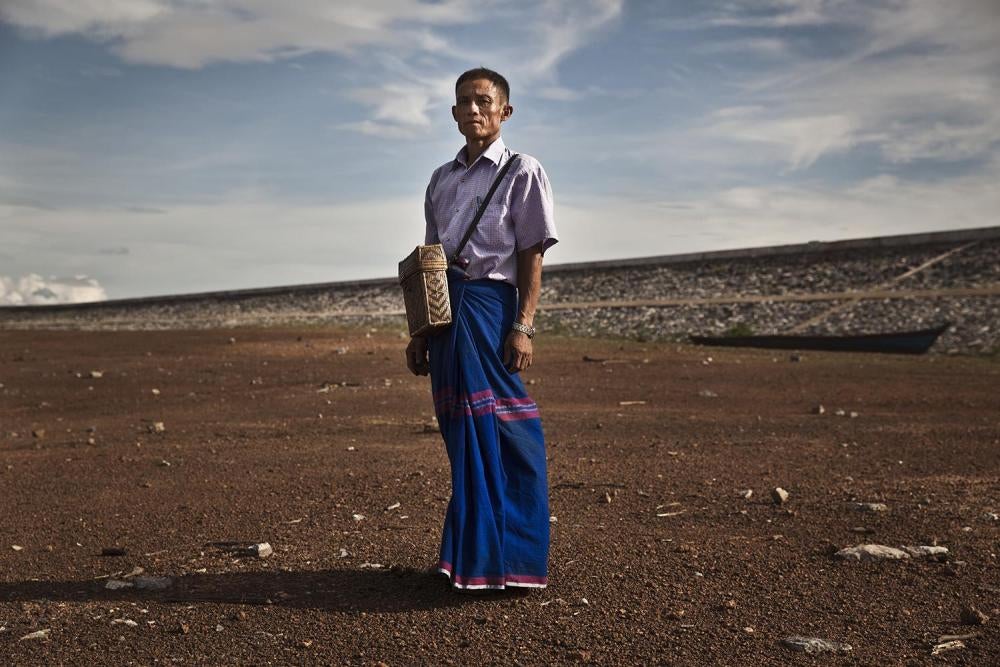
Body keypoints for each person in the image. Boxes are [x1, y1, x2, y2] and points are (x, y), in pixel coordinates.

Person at [406, 67, 558, 591]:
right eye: (464, 102)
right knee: (462, 434)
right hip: (447, 318)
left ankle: (512, 557)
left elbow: (531, 255)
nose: (474, 110)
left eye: (484, 102)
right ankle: (468, 560)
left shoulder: (523, 171)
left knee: (511, 432)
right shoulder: (440, 180)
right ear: (453, 113)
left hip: (492, 310)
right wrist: (419, 332)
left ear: (504, 112)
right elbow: (430, 262)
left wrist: (524, 326)